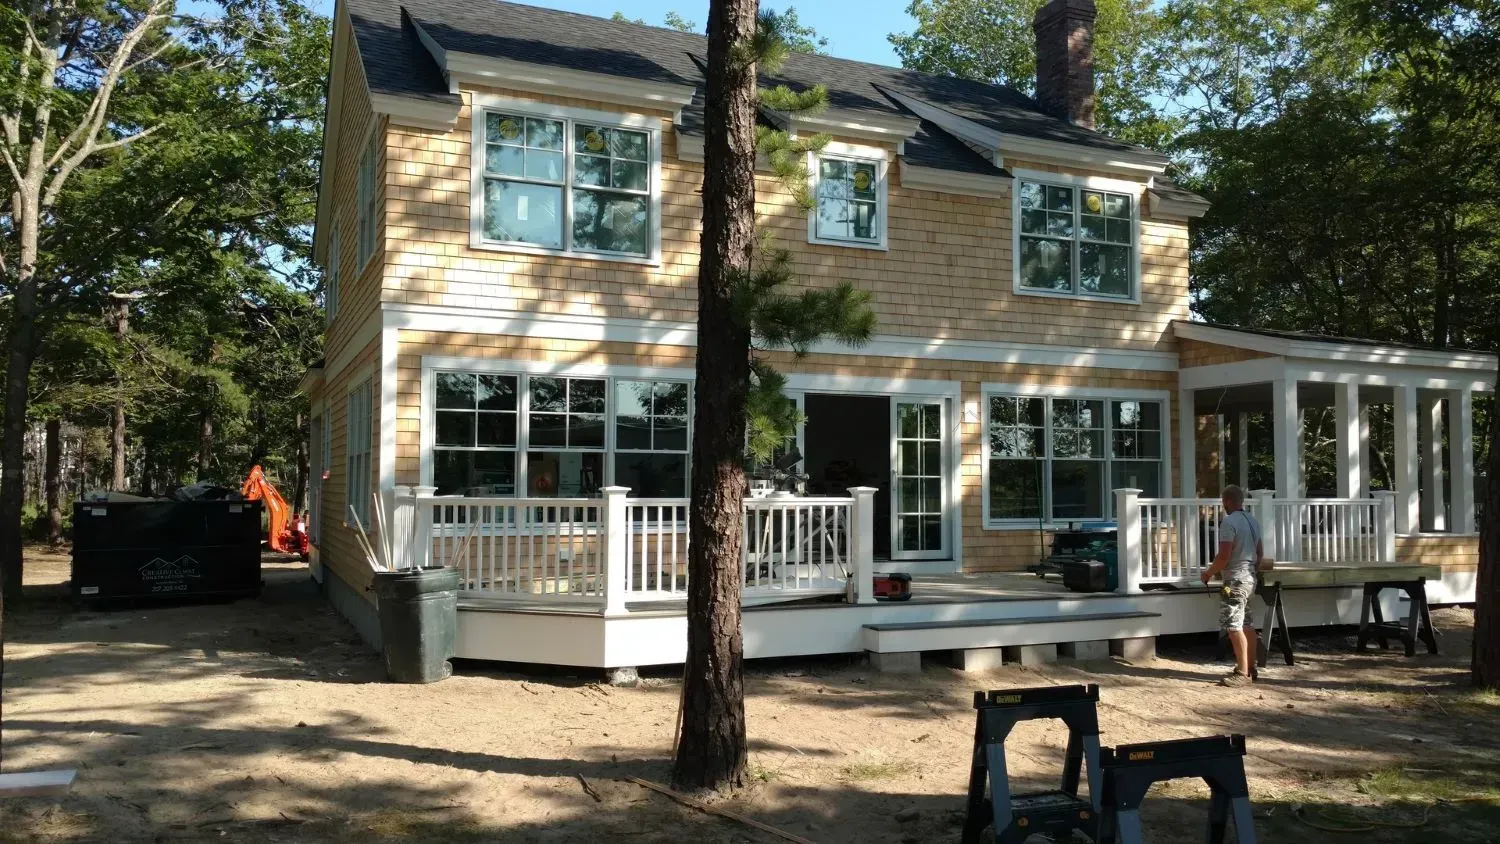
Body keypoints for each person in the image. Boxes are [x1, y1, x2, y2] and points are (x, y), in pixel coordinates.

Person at [1200, 485, 1262, 687]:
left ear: (1226, 502)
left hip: (1235, 580)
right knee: (1247, 624)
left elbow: (1223, 555)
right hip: (1250, 579)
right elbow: (1260, 553)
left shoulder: (1229, 522)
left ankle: (1242, 673)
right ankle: (1251, 667)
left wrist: (1208, 573)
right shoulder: (1253, 521)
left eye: (1223, 503)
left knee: (1233, 626)